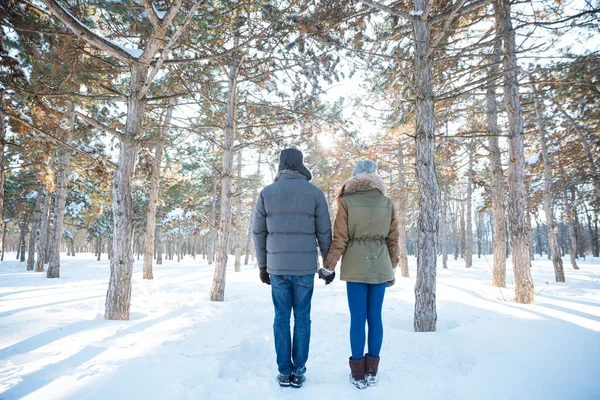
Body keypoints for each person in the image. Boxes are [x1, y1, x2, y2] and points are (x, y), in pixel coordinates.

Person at [253, 148, 332, 389]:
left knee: (280, 318)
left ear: (280, 165)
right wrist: (328, 265)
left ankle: (284, 372)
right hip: (305, 268)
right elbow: (324, 233)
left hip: (277, 267)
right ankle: (298, 371)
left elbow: (259, 233)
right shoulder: (315, 193)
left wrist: (263, 266)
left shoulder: (267, 193)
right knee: (303, 318)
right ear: (300, 165)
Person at [318, 159, 399, 389]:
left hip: (355, 265)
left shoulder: (346, 201)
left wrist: (329, 266)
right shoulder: (386, 202)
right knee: (375, 317)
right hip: (381, 264)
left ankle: (357, 374)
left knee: (357, 318)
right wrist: (392, 266)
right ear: (375, 177)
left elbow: (340, 238)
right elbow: (393, 238)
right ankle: (372, 372)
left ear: (355, 177)